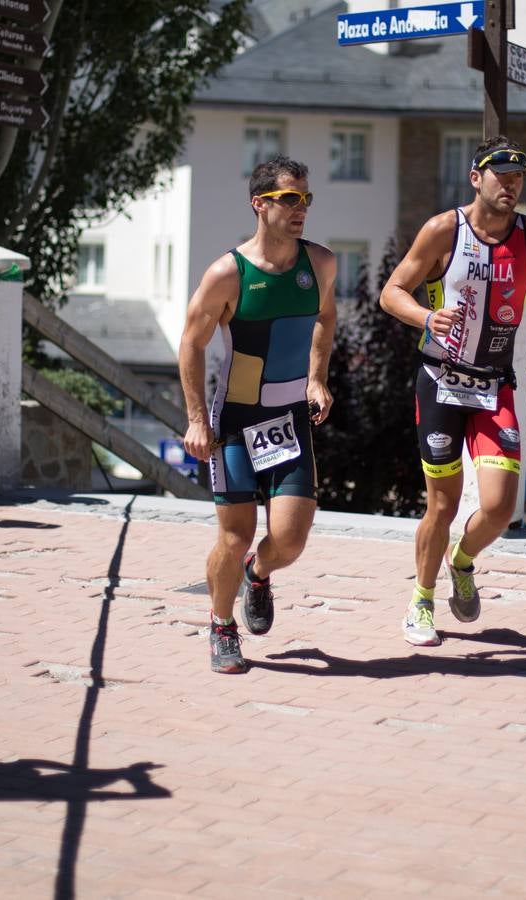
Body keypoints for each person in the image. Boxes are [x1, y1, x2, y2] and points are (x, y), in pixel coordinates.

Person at [380, 135, 526, 647]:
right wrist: (426, 316)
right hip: (441, 380)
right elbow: (391, 291)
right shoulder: (444, 230)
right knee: (442, 504)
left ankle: (462, 561)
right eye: (500, 174)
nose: (511, 184)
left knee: (501, 506)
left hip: (495, 384)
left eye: (518, 176)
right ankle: (420, 600)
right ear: (475, 178)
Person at [178, 155, 336, 674]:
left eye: (305, 199)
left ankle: (259, 573)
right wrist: (197, 418)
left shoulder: (322, 264)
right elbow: (191, 344)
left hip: (289, 418)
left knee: (290, 538)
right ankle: (222, 624)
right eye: (290, 198)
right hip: (237, 422)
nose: (301, 209)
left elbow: (325, 318)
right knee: (234, 533)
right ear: (260, 204)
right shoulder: (228, 272)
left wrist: (317, 378)